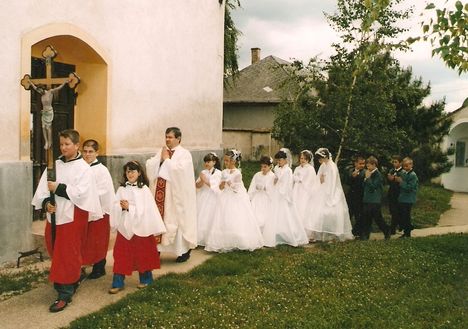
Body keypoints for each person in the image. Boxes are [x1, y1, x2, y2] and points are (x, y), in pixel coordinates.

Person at [32, 129, 102, 312]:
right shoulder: (54, 165)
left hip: (73, 216)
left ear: (77, 145)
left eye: (67, 144)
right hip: (55, 216)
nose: (63, 147)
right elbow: (43, 189)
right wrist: (47, 202)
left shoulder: (83, 169)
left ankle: (65, 293)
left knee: (67, 252)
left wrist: (59, 188)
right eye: (61, 144)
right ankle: (70, 277)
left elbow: (82, 193)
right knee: (54, 246)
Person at [109, 161, 166, 294]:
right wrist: (120, 207)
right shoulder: (122, 189)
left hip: (141, 227)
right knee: (121, 253)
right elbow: (114, 205)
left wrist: (131, 208)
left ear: (139, 173)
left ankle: (146, 279)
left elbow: (147, 210)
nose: (130, 174)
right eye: (128, 171)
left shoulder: (144, 190)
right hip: (125, 225)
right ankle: (118, 281)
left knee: (143, 253)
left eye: (133, 171)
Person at [146, 127, 197, 262]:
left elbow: (181, 173)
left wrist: (167, 160)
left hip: (175, 195)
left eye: (170, 137)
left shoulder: (184, 154)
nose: (167, 139)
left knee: (175, 220)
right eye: (166, 137)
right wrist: (161, 160)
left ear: (178, 138)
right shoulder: (162, 151)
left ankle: (182, 251)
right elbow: (151, 165)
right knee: (159, 219)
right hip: (160, 193)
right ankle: (156, 250)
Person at [204, 149, 264, 252]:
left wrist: (229, 182)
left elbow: (236, 189)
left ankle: (240, 240)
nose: (225, 163)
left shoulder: (237, 173)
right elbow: (221, 187)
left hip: (235, 198)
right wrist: (222, 183)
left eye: (227, 161)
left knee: (236, 217)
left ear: (233, 161)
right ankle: (225, 240)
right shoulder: (223, 172)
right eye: (225, 161)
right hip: (225, 197)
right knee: (224, 217)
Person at [81, 139, 116, 279]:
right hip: (84, 209)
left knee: (98, 240)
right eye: (85, 151)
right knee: (86, 240)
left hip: (100, 211)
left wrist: (85, 194)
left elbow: (103, 190)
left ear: (97, 152)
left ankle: (99, 267)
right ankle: (85, 264)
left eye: (91, 152)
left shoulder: (101, 170)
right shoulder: (81, 168)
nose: (87, 154)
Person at [262, 149, 309, 247]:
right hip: (276, 192)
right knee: (274, 213)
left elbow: (288, 183)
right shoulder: (276, 168)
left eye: (280, 160)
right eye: (278, 160)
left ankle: (288, 234)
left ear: (285, 160)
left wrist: (281, 191)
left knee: (285, 214)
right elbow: (274, 179)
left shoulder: (288, 170)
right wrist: (275, 182)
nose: (279, 162)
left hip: (283, 194)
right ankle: (275, 233)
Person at [306, 148, 353, 242]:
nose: (319, 160)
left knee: (330, 214)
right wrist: (320, 182)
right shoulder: (323, 165)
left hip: (331, 192)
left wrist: (329, 195)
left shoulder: (332, 167)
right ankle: (317, 235)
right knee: (316, 212)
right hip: (322, 190)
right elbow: (319, 177)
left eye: (321, 158)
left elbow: (332, 183)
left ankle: (332, 235)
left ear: (326, 157)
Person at [29, 80, 68, 150]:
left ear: (43, 89)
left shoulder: (50, 92)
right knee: (43, 127)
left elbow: (59, 88)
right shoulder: (41, 93)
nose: (40, 92)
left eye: (40, 91)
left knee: (48, 127)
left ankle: (50, 142)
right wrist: (30, 82)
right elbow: (34, 88)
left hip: (49, 111)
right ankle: (46, 141)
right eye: (39, 91)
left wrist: (65, 82)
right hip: (44, 112)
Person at [361, 156, 391, 240]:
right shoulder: (368, 173)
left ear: (374, 165)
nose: (367, 167)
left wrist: (368, 178)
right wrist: (366, 179)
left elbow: (373, 187)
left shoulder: (378, 175)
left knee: (377, 218)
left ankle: (386, 230)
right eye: (367, 166)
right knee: (367, 218)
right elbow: (364, 185)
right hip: (367, 199)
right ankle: (366, 235)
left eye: (369, 166)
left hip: (374, 200)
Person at [196, 152, 222, 246]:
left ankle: (209, 239)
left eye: (208, 161)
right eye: (205, 162)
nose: (206, 163)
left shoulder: (218, 173)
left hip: (212, 196)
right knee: (201, 215)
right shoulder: (203, 172)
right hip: (203, 195)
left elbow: (214, 186)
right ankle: (199, 238)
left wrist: (204, 180)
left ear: (214, 162)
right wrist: (201, 181)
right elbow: (197, 185)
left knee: (209, 216)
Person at [248, 156, 276, 231]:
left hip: (266, 199)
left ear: (270, 166)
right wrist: (250, 196)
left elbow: (273, 189)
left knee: (264, 215)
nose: (263, 169)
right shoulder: (257, 175)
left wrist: (265, 188)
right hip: (257, 198)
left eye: (265, 167)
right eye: (261, 166)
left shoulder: (272, 176)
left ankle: (264, 231)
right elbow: (252, 186)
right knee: (255, 214)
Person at [292, 150, 318, 227]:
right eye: (301, 158)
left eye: (304, 158)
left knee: (303, 208)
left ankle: (304, 228)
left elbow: (310, 181)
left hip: (305, 191)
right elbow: (294, 177)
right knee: (295, 207)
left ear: (308, 159)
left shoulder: (310, 169)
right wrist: (297, 179)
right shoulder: (297, 168)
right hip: (297, 190)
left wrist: (300, 179)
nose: (302, 160)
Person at [394, 157, 418, 238]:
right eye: (404, 166)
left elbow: (409, 187)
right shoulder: (404, 173)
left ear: (411, 165)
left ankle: (407, 232)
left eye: (407, 165)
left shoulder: (413, 175)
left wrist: (401, 182)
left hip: (408, 199)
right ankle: (408, 227)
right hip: (402, 198)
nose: (405, 167)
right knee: (401, 215)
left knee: (406, 216)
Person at [345, 155, 366, 238]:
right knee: (349, 214)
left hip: (360, 196)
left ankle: (359, 232)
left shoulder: (364, 172)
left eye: (363, 164)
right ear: (355, 163)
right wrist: (352, 177)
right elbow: (347, 181)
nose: (362, 165)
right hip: (351, 196)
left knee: (359, 215)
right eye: (360, 163)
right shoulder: (350, 170)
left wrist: (357, 178)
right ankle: (347, 231)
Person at [387, 155, 403, 235]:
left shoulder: (402, 171)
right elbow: (389, 180)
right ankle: (400, 224)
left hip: (399, 193)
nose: (394, 163)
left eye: (396, 162)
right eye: (393, 162)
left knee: (396, 211)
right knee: (392, 210)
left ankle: (393, 228)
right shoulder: (392, 170)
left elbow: (402, 181)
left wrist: (397, 180)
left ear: (400, 163)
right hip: (392, 193)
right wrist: (389, 179)